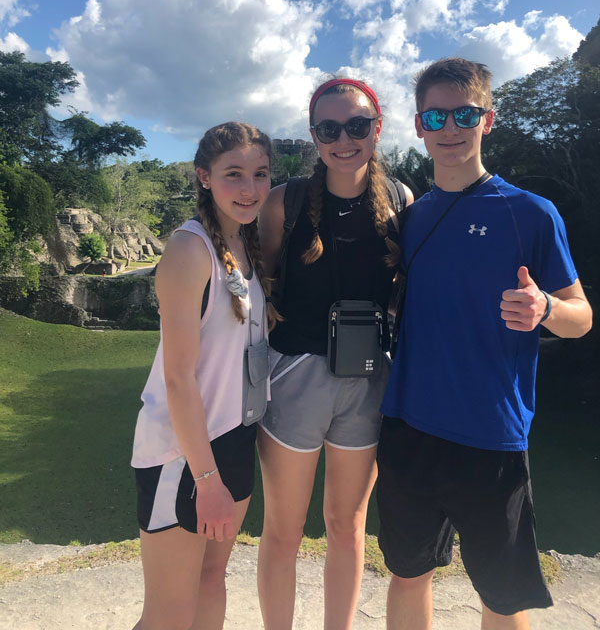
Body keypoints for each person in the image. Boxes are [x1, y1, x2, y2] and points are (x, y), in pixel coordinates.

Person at [377, 58, 593, 630]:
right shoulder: (410, 218)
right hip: (408, 423)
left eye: (464, 113)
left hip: (490, 432)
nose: (450, 128)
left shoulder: (531, 214)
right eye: (436, 115)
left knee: (501, 593)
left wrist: (546, 308)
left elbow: (582, 318)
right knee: (406, 573)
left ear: (487, 119)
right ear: (419, 126)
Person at [257, 78, 414, 630]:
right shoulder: (287, 202)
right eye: (329, 128)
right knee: (284, 528)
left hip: (368, 378)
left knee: (347, 527)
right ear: (314, 135)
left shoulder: (399, 199)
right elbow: (264, 280)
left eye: (357, 126)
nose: (343, 139)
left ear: (378, 128)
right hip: (296, 373)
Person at [130, 122, 273, 630]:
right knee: (169, 612)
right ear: (204, 177)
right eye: (233, 174)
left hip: (232, 439)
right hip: (182, 454)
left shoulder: (244, 246)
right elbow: (178, 379)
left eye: (259, 174)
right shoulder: (191, 250)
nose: (249, 188)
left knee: (212, 581)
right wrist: (206, 478)